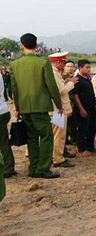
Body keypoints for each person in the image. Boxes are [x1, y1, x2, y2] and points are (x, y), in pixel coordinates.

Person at [10, 33, 63, 179]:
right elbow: (51, 86)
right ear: (37, 45)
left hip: (25, 106)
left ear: (22, 45)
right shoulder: (43, 63)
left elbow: (14, 89)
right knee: (46, 136)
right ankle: (43, 168)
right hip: (40, 107)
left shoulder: (14, 64)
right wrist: (59, 104)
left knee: (31, 138)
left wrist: (18, 107)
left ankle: (33, 167)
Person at [49, 52, 78, 168]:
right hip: (58, 109)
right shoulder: (54, 73)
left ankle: (57, 156)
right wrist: (71, 83)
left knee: (57, 134)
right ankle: (58, 158)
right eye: (63, 62)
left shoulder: (55, 73)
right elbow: (61, 91)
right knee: (59, 135)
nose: (64, 65)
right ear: (58, 62)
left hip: (57, 108)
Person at [72, 59, 96, 156]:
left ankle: (90, 147)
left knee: (92, 126)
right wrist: (81, 109)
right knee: (82, 128)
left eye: (89, 67)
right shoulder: (77, 80)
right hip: (82, 107)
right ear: (80, 68)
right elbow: (75, 96)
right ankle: (82, 149)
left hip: (91, 107)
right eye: (86, 67)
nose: (89, 69)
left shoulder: (87, 79)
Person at [0, 74, 15, 177]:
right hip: (2, 110)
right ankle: (8, 166)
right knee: (3, 141)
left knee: (3, 141)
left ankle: (7, 167)